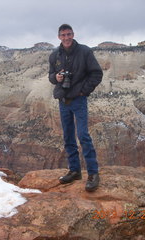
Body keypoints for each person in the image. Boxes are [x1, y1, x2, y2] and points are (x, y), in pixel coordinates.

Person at [48, 24, 103, 192]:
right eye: (63, 35)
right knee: (68, 137)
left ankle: (93, 174)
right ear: (59, 37)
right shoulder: (54, 55)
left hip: (78, 100)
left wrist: (83, 91)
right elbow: (50, 76)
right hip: (63, 99)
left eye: (69, 34)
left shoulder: (84, 52)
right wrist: (55, 77)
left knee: (83, 135)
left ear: (73, 34)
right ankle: (74, 170)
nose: (66, 38)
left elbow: (97, 74)